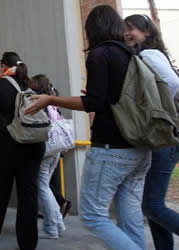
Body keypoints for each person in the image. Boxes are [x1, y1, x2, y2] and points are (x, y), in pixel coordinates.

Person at [25, 6, 151, 250]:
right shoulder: (132, 54)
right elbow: (111, 98)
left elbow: (93, 103)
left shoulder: (99, 54)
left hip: (112, 148)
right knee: (130, 216)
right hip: (141, 149)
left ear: (92, 29)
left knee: (93, 216)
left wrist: (50, 99)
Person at [125, 14, 179, 249]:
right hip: (169, 140)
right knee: (152, 204)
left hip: (166, 139)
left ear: (147, 33)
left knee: (153, 206)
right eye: (124, 28)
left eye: (132, 28)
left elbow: (170, 83)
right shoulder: (153, 55)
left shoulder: (147, 54)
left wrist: (154, 110)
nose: (127, 32)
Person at [0, 52, 45, 250]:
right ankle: (28, 243)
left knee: (0, 191)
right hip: (34, 145)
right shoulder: (29, 86)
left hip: (6, 147)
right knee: (28, 193)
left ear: (3, 65)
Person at [30, 74, 65, 239]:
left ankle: (52, 227)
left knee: (43, 187)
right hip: (56, 149)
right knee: (46, 187)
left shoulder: (40, 104)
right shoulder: (54, 103)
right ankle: (58, 222)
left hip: (45, 149)